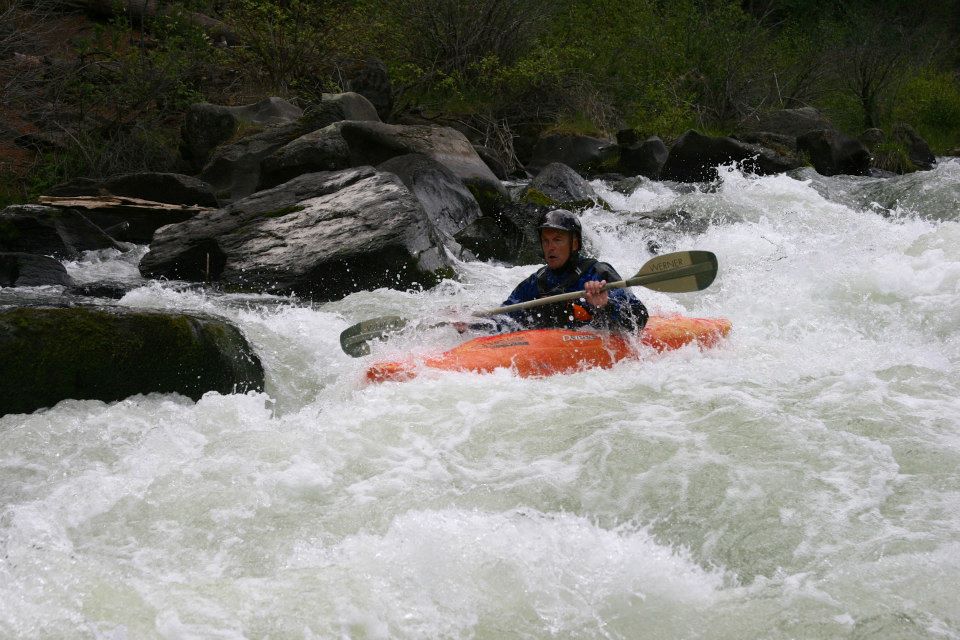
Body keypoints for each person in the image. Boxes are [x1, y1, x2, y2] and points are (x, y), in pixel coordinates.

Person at [487, 208, 649, 332]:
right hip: (547, 349)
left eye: (557, 240)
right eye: (545, 241)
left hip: (592, 348)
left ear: (575, 244)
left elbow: (639, 318)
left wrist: (606, 305)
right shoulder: (537, 281)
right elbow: (504, 317)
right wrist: (479, 326)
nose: (550, 247)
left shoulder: (598, 273)